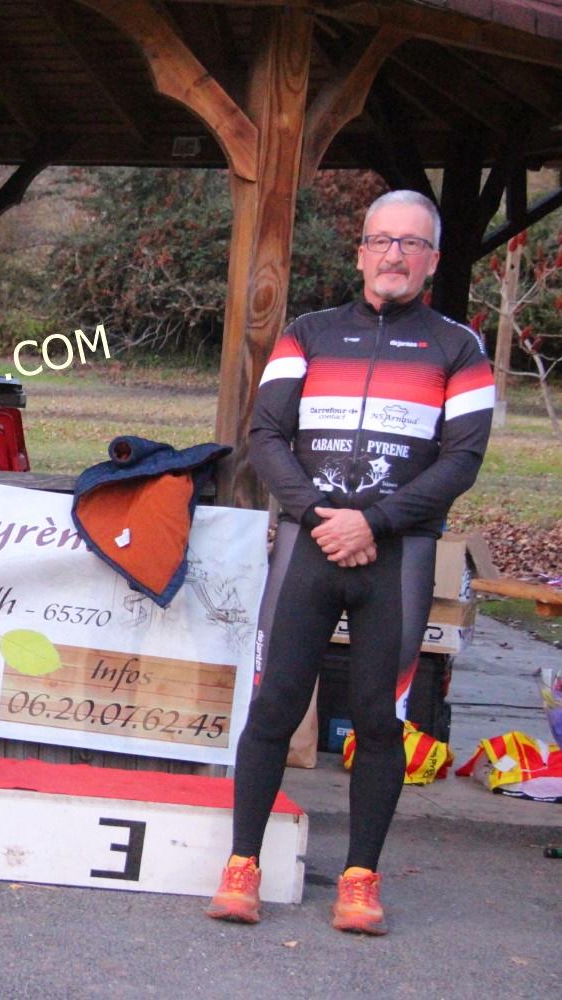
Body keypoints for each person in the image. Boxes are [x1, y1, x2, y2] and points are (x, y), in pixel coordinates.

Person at [207, 190, 494, 934]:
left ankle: (360, 879)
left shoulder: (459, 348)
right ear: (361, 252)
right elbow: (267, 435)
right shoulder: (307, 333)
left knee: (379, 719)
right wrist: (319, 515)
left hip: (396, 555)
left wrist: (373, 521)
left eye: (411, 243)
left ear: (432, 260)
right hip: (310, 546)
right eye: (382, 240)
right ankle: (242, 864)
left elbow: (463, 459)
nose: (395, 254)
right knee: (274, 706)